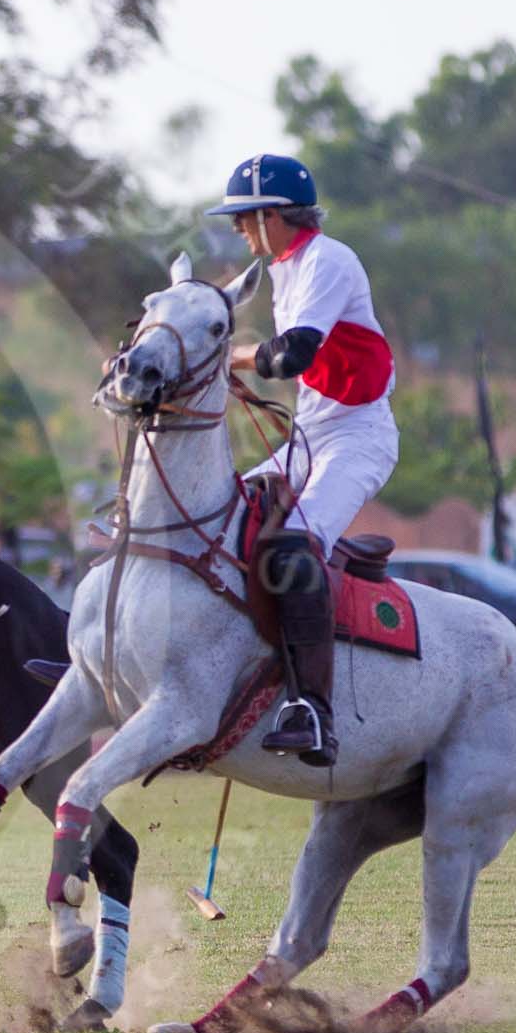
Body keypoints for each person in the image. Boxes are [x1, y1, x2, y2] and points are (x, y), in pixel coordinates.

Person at [205, 152, 400, 768]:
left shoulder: (328, 260)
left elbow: (290, 355)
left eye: (245, 218)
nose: (239, 230)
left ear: (274, 215)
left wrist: (227, 356)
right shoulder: (283, 269)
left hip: (357, 436)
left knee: (294, 545)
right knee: (219, 511)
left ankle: (312, 709)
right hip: (310, 435)